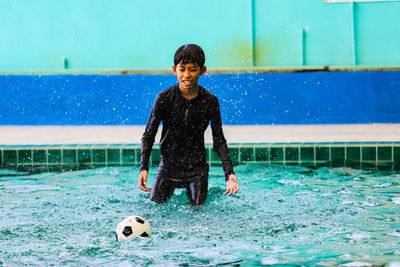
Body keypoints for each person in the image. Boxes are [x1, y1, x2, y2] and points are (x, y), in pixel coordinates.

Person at [138, 44, 239, 206]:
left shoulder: (210, 101)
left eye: (192, 69)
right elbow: (149, 135)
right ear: (174, 69)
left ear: (202, 70)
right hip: (168, 166)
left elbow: (219, 140)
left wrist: (229, 174)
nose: (186, 75)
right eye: (182, 69)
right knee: (153, 207)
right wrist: (144, 168)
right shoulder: (164, 98)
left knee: (198, 212)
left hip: (196, 169)